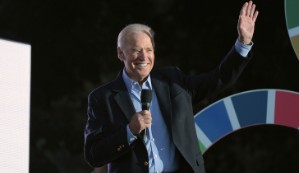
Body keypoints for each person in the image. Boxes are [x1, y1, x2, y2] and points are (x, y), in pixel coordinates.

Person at [84, 1, 259, 173]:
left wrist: (242, 43)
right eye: (136, 50)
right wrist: (129, 131)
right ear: (120, 53)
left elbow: (219, 79)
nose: (144, 56)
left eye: (149, 49)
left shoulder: (173, 81)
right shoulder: (103, 98)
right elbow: (93, 155)